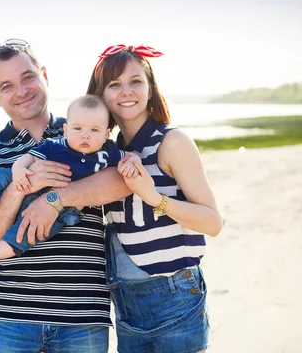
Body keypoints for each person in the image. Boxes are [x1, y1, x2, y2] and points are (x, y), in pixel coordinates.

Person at [0, 40, 132, 353]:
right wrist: (22, 189)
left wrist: (53, 200)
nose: (21, 90)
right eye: (7, 85)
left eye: (28, 77)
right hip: (10, 315)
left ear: (44, 75)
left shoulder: (84, 127)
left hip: (82, 314)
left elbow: (122, 182)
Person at [86, 44, 222, 353]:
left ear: (150, 89)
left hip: (174, 296)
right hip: (125, 302)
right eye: (114, 84)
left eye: (135, 81)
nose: (126, 91)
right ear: (101, 95)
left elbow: (213, 223)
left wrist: (153, 197)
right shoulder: (107, 152)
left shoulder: (172, 142)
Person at [0, 95, 138, 264]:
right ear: (66, 129)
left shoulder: (106, 153)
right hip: (28, 180)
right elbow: (29, 158)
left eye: (94, 130)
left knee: (27, 232)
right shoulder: (56, 144)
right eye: (78, 129)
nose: (85, 135)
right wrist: (19, 171)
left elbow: (129, 167)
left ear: (106, 134)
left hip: (65, 211)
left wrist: (132, 162)